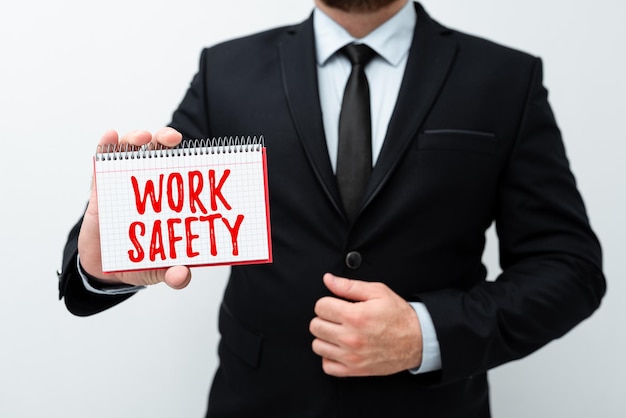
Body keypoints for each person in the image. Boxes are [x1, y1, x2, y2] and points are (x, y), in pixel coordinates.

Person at [58, 0, 606, 416]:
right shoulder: (226, 70)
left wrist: (427, 333)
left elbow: (569, 268)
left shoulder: (505, 79)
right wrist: (103, 265)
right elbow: (148, 222)